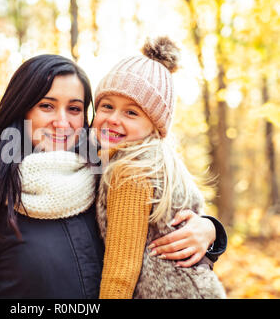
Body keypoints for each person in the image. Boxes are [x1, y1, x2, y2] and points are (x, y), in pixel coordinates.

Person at [0, 54, 227, 299]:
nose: (62, 122)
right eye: (46, 105)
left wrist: (210, 231)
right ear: (20, 110)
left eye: (74, 109)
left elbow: (164, 245)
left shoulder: (106, 181)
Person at [93, 37, 226, 298]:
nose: (113, 119)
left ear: (155, 124)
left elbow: (121, 273)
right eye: (106, 106)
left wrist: (211, 230)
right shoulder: (162, 163)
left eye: (131, 113)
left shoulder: (129, 172)